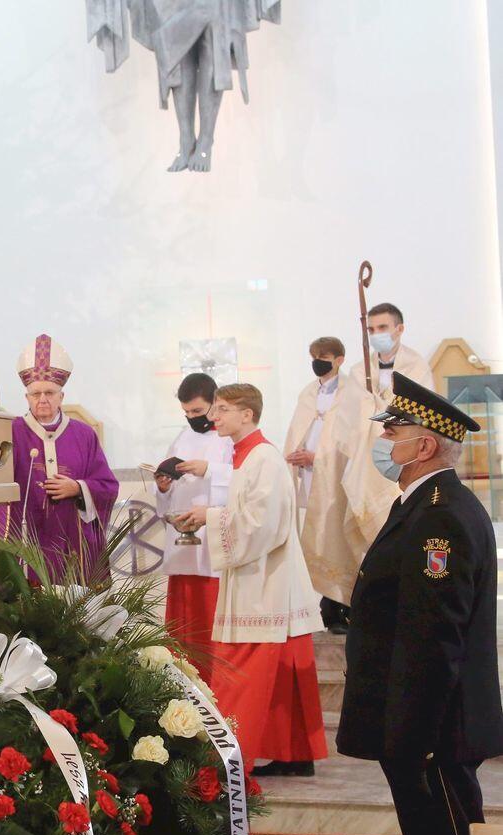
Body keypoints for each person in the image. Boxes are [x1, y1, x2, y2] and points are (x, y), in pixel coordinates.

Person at [337, 373, 503, 835]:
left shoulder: (440, 516)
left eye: (392, 433)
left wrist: (416, 736)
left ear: (425, 446)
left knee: (441, 829)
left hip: (432, 727)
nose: (384, 442)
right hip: (419, 717)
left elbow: (433, 634)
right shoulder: (422, 506)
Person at [176, 384, 326, 776]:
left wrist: (210, 517)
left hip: (266, 584)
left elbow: (264, 525)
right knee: (276, 678)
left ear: (247, 414)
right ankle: (292, 755)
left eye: (223, 409)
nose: (214, 417)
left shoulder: (265, 458)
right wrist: (212, 514)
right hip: (257, 579)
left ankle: (226, 762)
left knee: (244, 675)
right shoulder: (246, 456)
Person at [0, 334, 119, 584]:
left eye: (49, 392)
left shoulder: (84, 434)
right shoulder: (10, 431)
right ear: (27, 398)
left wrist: (78, 488)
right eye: (35, 394)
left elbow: (108, 486)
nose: (42, 399)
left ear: (61, 396)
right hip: (26, 536)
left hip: (71, 538)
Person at [332, 303, 433, 562]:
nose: (376, 334)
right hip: (367, 459)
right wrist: (370, 404)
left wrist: (380, 407)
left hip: (406, 457)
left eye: (382, 327)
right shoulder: (359, 372)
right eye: (371, 329)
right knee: (373, 543)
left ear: (399, 329)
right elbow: (349, 420)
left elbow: (423, 415)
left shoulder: (416, 366)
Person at [153, 373, 233, 681]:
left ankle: (216, 683)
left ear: (215, 402)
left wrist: (209, 470)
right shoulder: (181, 439)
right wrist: (163, 486)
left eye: (197, 411)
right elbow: (168, 495)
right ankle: (185, 684)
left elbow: (243, 480)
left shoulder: (227, 437)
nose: (192, 418)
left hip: (213, 545)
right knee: (184, 622)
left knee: (210, 618)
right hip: (183, 545)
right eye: (186, 412)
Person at [283, 337, 350, 632]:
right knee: (317, 540)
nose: (317, 362)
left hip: (338, 481)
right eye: (313, 357)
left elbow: (352, 440)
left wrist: (318, 457)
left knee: (337, 541)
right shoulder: (308, 393)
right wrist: (297, 453)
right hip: (311, 478)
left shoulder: (351, 394)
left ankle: (340, 605)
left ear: (339, 359)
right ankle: (323, 605)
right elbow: (299, 428)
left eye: (323, 357)